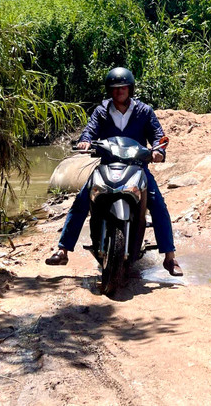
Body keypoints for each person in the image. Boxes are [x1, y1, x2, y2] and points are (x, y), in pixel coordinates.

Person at [45, 67, 183, 276]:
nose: (120, 92)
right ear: (110, 91)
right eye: (115, 88)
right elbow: (89, 131)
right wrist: (85, 142)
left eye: (123, 87)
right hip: (106, 166)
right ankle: (63, 250)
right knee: (81, 201)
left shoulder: (144, 111)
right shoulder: (101, 111)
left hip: (138, 167)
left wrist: (158, 151)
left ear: (130, 88)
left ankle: (170, 258)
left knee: (158, 204)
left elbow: (158, 135)